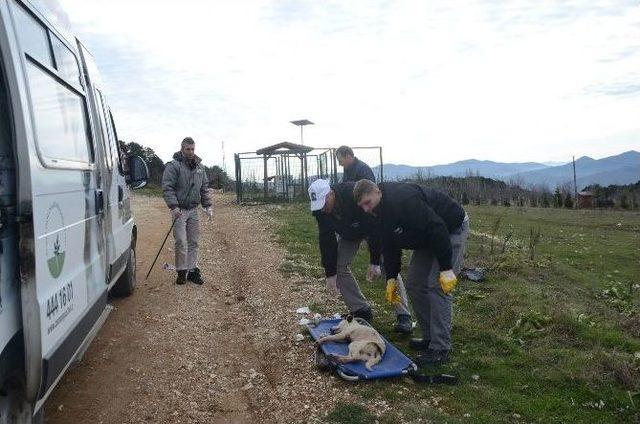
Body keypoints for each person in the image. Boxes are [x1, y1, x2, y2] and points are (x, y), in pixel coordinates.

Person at [353, 180, 469, 365]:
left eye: (367, 203)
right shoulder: (377, 212)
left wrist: (446, 269)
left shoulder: (404, 199)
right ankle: (430, 338)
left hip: (450, 228)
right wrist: (391, 278)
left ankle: (441, 348)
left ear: (377, 191)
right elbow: (389, 245)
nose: (366, 209)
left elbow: (437, 228)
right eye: (362, 206)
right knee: (415, 283)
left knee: (437, 285)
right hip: (425, 237)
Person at [308, 179, 413, 333]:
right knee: (339, 266)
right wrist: (330, 274)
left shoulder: (353, 194)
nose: (322, 209)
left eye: (324, 203)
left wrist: (375, 261)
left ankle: (403, 315)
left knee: (388, 264)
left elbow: (375, 227)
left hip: (373, 229)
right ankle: (361, 310)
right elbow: (326, 240)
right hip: (349, 233)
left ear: (331, 194)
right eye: (319, 206)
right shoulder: (321, 211)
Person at [162, 137, 213, 285]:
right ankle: (181, 271)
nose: (190, 152)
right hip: (179, 210)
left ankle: (192, 270)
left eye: (192, 149)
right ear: (182, 149)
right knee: (180, 241)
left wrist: (208, 206)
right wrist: (174, 206)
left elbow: (204, 188)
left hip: (193, 210)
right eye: (187, 149)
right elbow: (167, 187)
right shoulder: (173, 166)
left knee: (193, 242)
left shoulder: (200, 167)